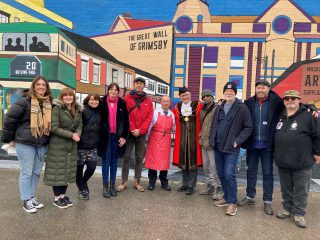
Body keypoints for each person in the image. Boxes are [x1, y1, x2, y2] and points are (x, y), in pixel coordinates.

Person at [239, 79, 319, 215]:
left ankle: (267, 201)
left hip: (268, 146)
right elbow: (237, 109)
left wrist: (311, 107)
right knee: (251, 172)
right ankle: (250, 196)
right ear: (255, 89)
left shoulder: (276, 101)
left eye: (264, 87)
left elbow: (294, 105)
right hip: (252, 145)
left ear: (269, 89)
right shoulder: (248, 103)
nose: (260, 90)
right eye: (258, 88)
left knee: (267, 174)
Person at [2, 76, 52, 213]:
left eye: (44, 85)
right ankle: (26, 200)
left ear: (47, 87)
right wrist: (9, 138)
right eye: (38, 84)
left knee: (36, 172)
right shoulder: (24, 101)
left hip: (41, 142)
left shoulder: (49, 103)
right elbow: (9, 119)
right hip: (25, 142)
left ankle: (31, 196)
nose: (41, 87)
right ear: (33, 86)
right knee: (26, 171)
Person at [274, 90, 320, 228]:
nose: (290, 101)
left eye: (293, 98)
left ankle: (299, 213)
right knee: (286, 188)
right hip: (283, 160)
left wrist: (318, 152)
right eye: (287, 98)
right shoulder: (280, 115)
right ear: (284, 101)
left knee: (301, 189)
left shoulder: (308, 115)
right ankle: (287, 209)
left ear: (299, 100)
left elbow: (318, 135)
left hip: (302, 161)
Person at [211, 82, 252, 216]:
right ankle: (227, 197)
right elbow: (214, 125)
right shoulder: (219, 107)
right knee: (221, 174)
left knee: (229, 174)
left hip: (231, 148)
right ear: (224, 93)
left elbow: (248, 128)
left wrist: (237, 141)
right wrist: (211, 139)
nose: (229, 93)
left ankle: (233, 203)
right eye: (227, 91)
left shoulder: (242, 108)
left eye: (231, 91)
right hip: (217, 146)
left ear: (235, 93)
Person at [44, 88, 83, 209]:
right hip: (58, 145)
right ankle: (56, 198)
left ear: (73, 97)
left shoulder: (77, 110)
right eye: (65, 95)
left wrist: (77, 134)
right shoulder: (56, 109)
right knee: (58, 171)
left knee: (67, 170)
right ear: (61, 97)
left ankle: (63, 196)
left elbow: (80, 125)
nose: (68, 97)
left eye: (70, 95)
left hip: (71, 145)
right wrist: (71, 135)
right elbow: (54, 128)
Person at [117, 77, 153, 192]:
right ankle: (124, 182)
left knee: (139, 157)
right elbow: (125, 115)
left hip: (141, 134)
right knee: (126, 157)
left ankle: (137, 181)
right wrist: (133, 128)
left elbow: (149, 118)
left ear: (144, 86)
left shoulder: (148, 101)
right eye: (137, 83)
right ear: (134, 85)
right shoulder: (127, 98)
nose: (139, 85)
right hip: (129, 132)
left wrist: (140, 130)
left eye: (141, 84)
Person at [99, 83, 129, 198]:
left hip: (117, 137)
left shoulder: (122, 103)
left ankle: (112, 186)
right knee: (106, 161)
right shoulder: (101, 102)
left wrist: (124, 137)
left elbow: (126, 122)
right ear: (108, 91)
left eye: (116, 90)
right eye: (111, 89)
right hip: (105, 137)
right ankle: (105, 186)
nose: (113, 92)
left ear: (118, 92)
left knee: (114, 162)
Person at [173, 86, 203, 195]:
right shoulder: (177, 107)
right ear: (180, 97)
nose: (184, 97)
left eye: (186, 95)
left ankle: (191, 186)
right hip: (182, 140)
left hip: (194, 140)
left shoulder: (198, 106)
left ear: (190, 95)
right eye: (182, 95)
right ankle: (184, 184)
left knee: (193, 163)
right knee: (184, 163)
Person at [145, 95, 175, 191]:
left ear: (170, 103)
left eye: (168, 101)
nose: (166, 103)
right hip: (154, 139)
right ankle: (152, 182)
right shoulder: (155, 112)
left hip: (166, 140)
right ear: (161, 102)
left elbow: (173, 128)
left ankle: (164, 182)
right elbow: (149, 126)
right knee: (153, 161)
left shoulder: (172, 114)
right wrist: (148, 138)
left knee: (164, 162)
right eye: (164, 101)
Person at [198, 89, 223, 200]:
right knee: (206, 165)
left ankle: (219, 187)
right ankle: (210, 186)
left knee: (214, 166)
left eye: (208, 96)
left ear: (212, 97)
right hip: (203, 141)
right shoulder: (202, 109)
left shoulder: (217, 108)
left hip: (212, 142)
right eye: (204, 97)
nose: (206, 98)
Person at [76, 94, 101, 200]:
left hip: (93, 145)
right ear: (87, 100)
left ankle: (83, 182)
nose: (94, 102)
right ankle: (82, 189)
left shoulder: (100, 112)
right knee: (79, 169)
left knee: (91, 167)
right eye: (91, 100)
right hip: (80, 145)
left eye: (96, 100)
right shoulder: (82, 110)